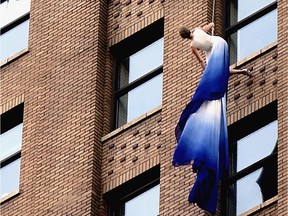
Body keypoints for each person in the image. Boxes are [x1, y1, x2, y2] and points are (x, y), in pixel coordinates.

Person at [172, 23, 251, 214]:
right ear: (190, 31)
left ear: (185, 37)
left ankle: (219, 85)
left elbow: (201, 61)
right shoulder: (199, 30)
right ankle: (243, 72)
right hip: (219, 44)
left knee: (215, 79)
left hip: (214, 52)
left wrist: (204, 69)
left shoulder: (192, 46)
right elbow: (213, 24)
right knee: (220, 75)